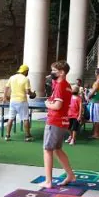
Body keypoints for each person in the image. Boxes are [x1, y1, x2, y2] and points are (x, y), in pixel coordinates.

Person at [40, 61, 76, 189]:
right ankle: (70, 175)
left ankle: (48, 181)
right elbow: (55, 85)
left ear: (62, 72)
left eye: (54, 71)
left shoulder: (61, 86)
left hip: (54, 120)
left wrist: (47, 104)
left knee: (47, 150)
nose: (51, 73)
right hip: (63, 121)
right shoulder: (66, 85)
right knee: (57, 149)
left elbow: (57, 105)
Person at [3, 64, 36, 142]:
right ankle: (27, 136)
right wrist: (33, 94)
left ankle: (7, 135)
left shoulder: (12, 77)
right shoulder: (25, 79)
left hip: (13, 101)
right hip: (22, 101)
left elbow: (6, 87)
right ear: (25, 71)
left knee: (10, 118)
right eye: (27, 71)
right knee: (25, 118)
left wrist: (4, 97)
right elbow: (28, 92)